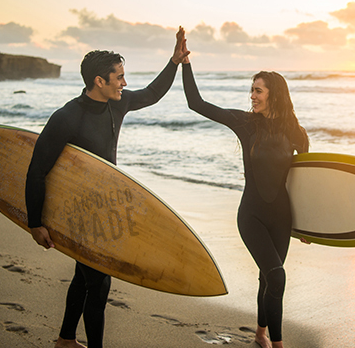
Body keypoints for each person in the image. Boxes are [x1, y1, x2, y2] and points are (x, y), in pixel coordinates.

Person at [25, 27, 190, 348]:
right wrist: (35, 222)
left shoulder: (118, 103)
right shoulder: (66, 117)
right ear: (99, 81)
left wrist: (174, 62)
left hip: (104, 208)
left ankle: (65, 340)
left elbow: (151, 93)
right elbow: (37, 169)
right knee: (99, 282)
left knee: (83, 277)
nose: (124, 84)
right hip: (76, 211)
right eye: (119, 78)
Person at [179, 36, 309, 348]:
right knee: (276, 276)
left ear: (274, 95)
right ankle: (276, 344)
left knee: (269, 278)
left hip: (282, 216)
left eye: (258, 91)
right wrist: (185, 64)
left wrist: (308, 224)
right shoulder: (246, 124)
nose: (252, 96)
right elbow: (196, 104)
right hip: (251, 214)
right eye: (251, 90)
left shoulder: (296, 132)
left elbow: (304, 181)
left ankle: (261, 333)